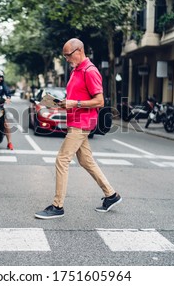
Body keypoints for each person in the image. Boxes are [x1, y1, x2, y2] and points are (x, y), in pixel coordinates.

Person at [35, 38, 122, 219]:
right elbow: (75, 98)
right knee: (85, 160)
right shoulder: (76, 70)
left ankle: (57, 206)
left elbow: (99, 100)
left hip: (83, 123)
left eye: (68, 55)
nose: (66, 58)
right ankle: (111, 195)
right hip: (75, 120)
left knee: (62, 160)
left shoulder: (90, 71)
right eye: (64, 55)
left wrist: (76, 103)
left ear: (79, 51)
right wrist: (61, 104)